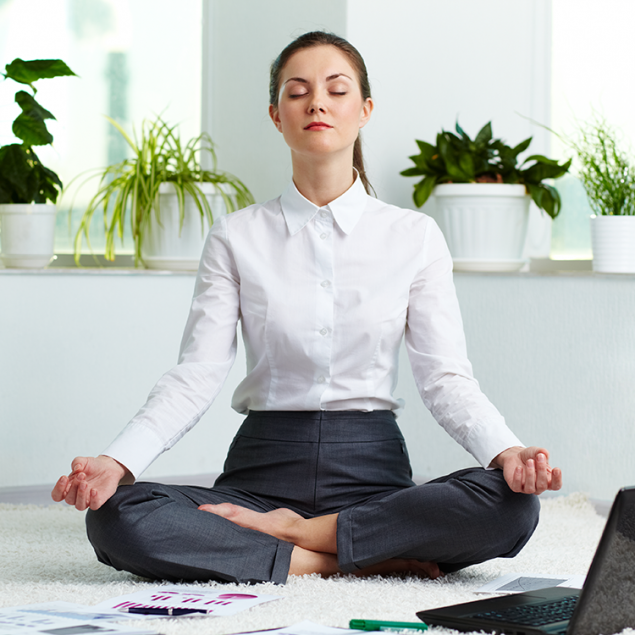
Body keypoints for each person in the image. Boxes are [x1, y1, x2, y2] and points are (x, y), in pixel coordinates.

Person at [52, 31, 562, 585]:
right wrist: (117, 462)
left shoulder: (415, 236)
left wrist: (506, 451)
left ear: (364, 109)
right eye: (297, 92)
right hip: (260, 472)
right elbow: (195, 375)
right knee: (114, 515)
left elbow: (444, 378)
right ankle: (347, 559)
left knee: (512, 505)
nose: (316, 102)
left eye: (336, 89)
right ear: (276, 115)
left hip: (371, 479)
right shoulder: (236, 236)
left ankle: (295, 538)